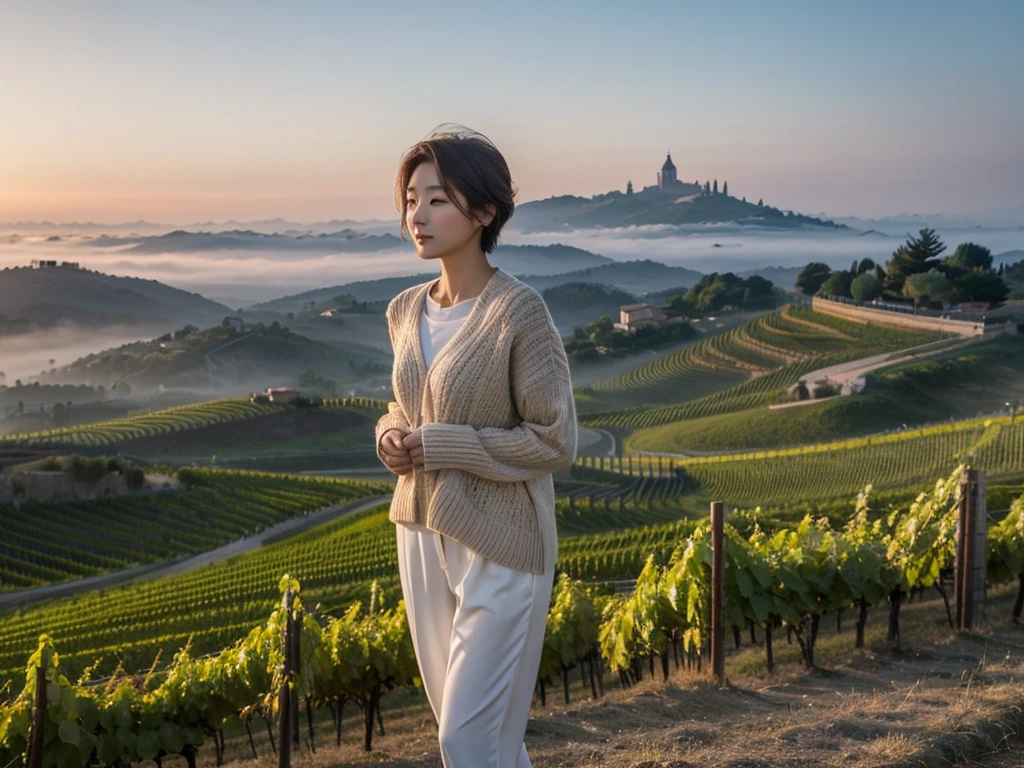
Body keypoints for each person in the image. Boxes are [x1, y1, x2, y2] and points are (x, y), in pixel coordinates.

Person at [375, 123, 578, 768]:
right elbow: (406, 407)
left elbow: (555, 440)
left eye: (437, 198)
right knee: (484, 745)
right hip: (419, 531)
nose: (418, 214)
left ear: (485, 211)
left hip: (505, 544)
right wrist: (389, 435)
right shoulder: (404, 309)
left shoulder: (520, 312)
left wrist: (442, 445)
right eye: (411, 199)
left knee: (464, 742)